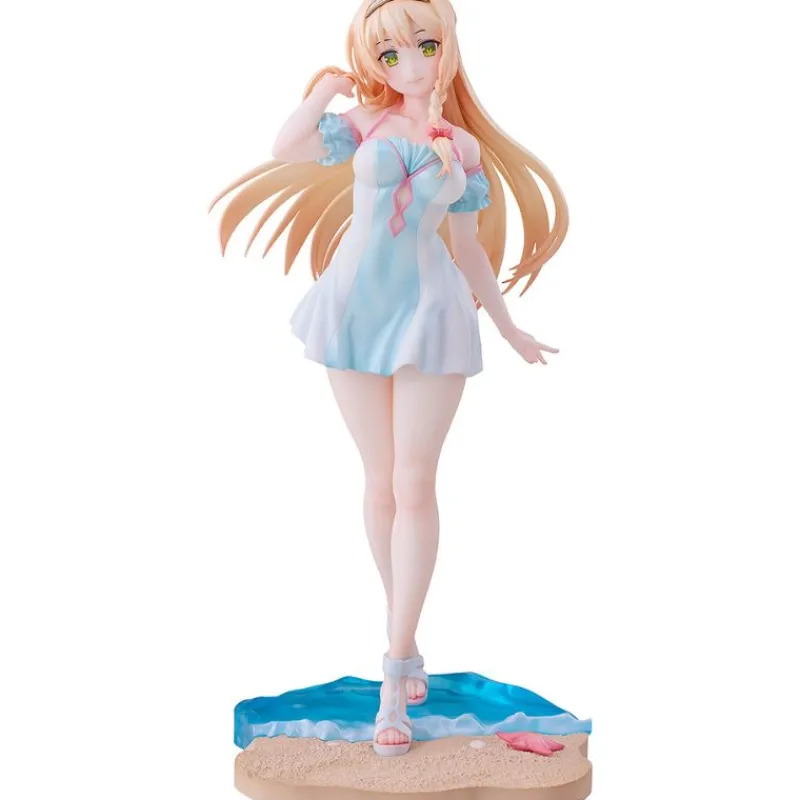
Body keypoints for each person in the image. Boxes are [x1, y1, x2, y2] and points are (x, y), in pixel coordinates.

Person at [210, 0, 566, 757]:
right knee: (379, 484)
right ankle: (403, 627)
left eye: (425, 46)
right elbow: (286, 149)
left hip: (430, 311)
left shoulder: (462, 147)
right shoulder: (363, 124)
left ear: (448, 49)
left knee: (414, 481)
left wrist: (508, 326)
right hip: (353, 309)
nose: (411, 64)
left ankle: (395, 668)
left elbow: (468, 247)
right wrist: (322, 91)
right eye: (391, 53)